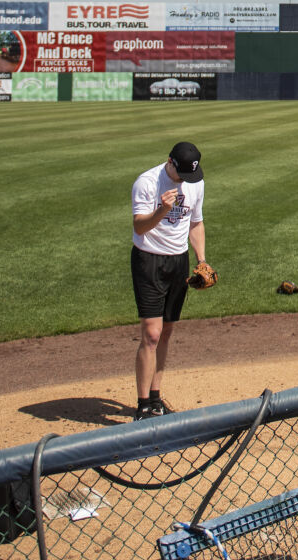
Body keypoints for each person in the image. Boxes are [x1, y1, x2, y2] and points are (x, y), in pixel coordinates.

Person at [129, 141, 208, 419]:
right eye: (182, 174)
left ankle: (155, 397)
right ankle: (142, 406)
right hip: (149, 260)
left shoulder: (195, 183)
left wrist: (201, 260)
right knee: (151, 333)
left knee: (166, 333)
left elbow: (196, 222)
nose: (187, 181)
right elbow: (139, 226)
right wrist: (161, 210)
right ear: (170, 162)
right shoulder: (147, 183)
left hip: (179, 260)